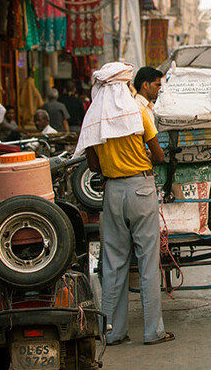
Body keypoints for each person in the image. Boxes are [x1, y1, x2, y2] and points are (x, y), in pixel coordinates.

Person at [76, 62, 172, 347]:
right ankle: (153, 331)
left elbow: (92, 164)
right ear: (126, 85)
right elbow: (158, 157)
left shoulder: (94, 119)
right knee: (147, 262)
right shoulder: (138, 112)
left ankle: (113, 331)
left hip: (113, 193)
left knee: (113, 263)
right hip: (141, 190)